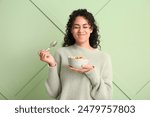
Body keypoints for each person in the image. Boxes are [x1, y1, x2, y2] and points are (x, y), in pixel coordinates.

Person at [39, 9, 112, 100]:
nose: (81, 30)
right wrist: (52, 64)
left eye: (85, 26)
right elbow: (53, 92)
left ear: (91, 29)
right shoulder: (61, 53)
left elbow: (106, 98)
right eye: (76, 27)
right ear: (71, 30)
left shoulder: (104, 58)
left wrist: (92, 73)